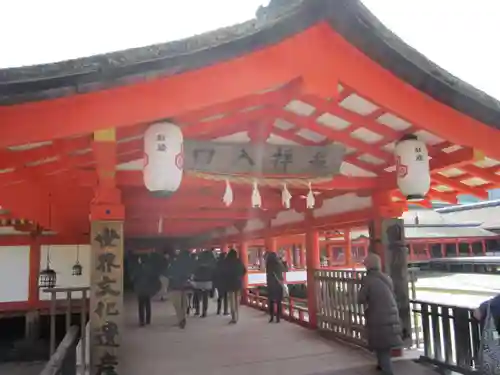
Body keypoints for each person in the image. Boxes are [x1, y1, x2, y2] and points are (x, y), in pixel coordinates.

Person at [358, 252, 402, 375]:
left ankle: (387, 371)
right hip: (391, 314)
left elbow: (361, 299)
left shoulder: (368, 280)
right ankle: (381, 365)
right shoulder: (386, 278)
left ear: (368, 265)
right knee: (384, 345)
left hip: (378, 316)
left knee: (381, 346)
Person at [167, 250, 194, 329]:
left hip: (175, 286)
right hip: (184, 287)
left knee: (177, 304)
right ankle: (183, 317)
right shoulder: (188, 264)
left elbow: (169, 273)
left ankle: (181, 319)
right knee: (184, 303)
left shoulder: (174, 263)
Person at [131, 254, 160, 327]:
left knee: (141, 305)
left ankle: (141, 321)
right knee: (147, 304)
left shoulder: (137, 268)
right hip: (147, 289)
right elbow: (154, 278)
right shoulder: (150, 268)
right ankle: (148, 320)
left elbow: (133, 278)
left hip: (140, 289)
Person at [221, 249, 247, 324]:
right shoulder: (239, 262)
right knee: (237, 300)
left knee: (232, 301)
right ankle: (237, 316)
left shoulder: (226, 262)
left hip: (229, 283)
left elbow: (223, 272)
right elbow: (244, 270)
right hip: (238, 283)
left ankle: (233, 317)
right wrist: (240, 276)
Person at [192, 250, 216, 317]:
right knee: (205, 297)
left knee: (197, 296)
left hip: (198, 281)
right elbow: (214, 272)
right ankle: (204, 312)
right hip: (207, 281)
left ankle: (197, 310)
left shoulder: (198, 261)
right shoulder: (212, 262)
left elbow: (194, 270)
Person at [265, 252, 287, 323]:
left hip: (271, 285)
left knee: (271, 301)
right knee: (278, 302)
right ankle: (278, 318)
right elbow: (285, 269)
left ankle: (271, 317)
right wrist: (283, 261)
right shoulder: (278, 264)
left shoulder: (268, 265)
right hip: (278, 285)